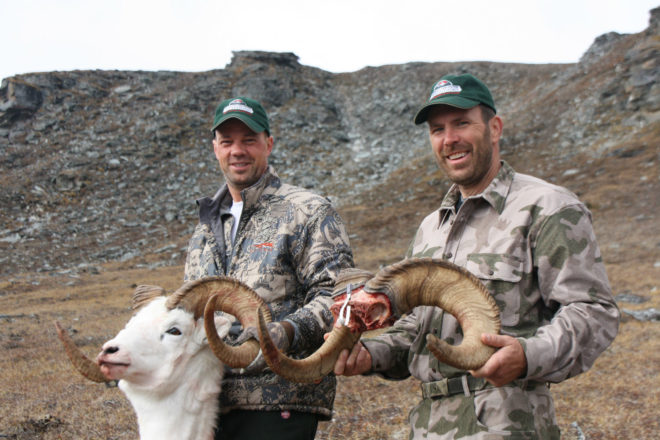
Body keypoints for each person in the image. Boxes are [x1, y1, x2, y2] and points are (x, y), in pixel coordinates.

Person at [333, 74, 620, 439]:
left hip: (506, 423)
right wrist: (371, 356)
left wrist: (528, 355)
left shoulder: (547, 207)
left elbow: (594, 311)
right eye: (438, 129)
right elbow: (415, 331)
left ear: (494, 128)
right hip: (427, 425)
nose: (449, 139)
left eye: (462, 124)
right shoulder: (430, 228)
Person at [184, 96, 354, 439]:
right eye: (227, 141)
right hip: (206, 404)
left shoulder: (308, 211)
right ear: (214, 147)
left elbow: (338, 297)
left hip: (278, 403)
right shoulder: (203, 231)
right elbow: (188, 315)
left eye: (249, 140)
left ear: (269, 144)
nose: (238, 151)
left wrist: (285, 332)